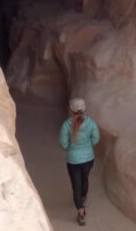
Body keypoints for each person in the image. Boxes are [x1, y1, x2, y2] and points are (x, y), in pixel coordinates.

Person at [59, 97, 100, 226]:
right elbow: (96, 139)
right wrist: (88, 146)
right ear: (84, 109)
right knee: (84, 179)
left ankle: (81, 213)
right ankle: (82, 198)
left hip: (73, 160)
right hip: (88, 159)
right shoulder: (91, 123)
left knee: (76, 184)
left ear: (71, 110)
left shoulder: (66, 125)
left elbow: (64, 144)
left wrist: (72, 147)